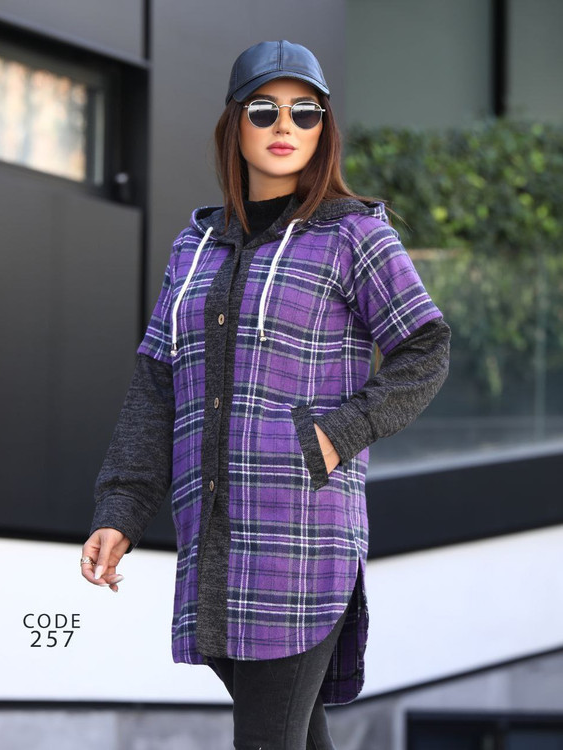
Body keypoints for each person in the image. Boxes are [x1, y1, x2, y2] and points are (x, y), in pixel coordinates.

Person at [80, 40, 451, 749]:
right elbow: (155, 386)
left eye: (305, 112)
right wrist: (121, 509)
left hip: (300, 540)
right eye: (264, 110)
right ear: (235, 125)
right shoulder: (194, 248)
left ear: (323, 129)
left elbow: (425, 348)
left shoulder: (355, 235)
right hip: (212, 540)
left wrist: (336, 435)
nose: (285, 125)